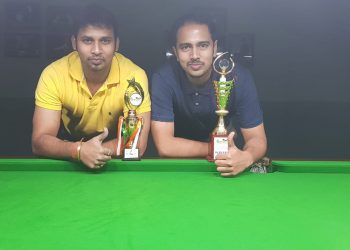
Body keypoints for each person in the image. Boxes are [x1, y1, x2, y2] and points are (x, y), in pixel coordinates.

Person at [32, 4, 151, 169]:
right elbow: (40, 140)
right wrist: (79, 150)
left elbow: (136, 142)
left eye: (105, 41)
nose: (96, 50)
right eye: (87, 40)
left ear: (116, 44)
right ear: (74, 43)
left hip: (114, 155)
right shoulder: (54, 74)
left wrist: (94, 151)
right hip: (66, 150)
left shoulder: (134, 77)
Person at [151, 11, 267, 176]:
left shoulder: (238, 77)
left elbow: (257, 139)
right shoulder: (163, 78)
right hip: (179, 166)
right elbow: (165, 146)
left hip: (227, 165)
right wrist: (217, 148)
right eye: (186, 47)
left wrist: (246, 157)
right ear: (175, 53)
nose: (195, 55)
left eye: (203, 45)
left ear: (214, 48)